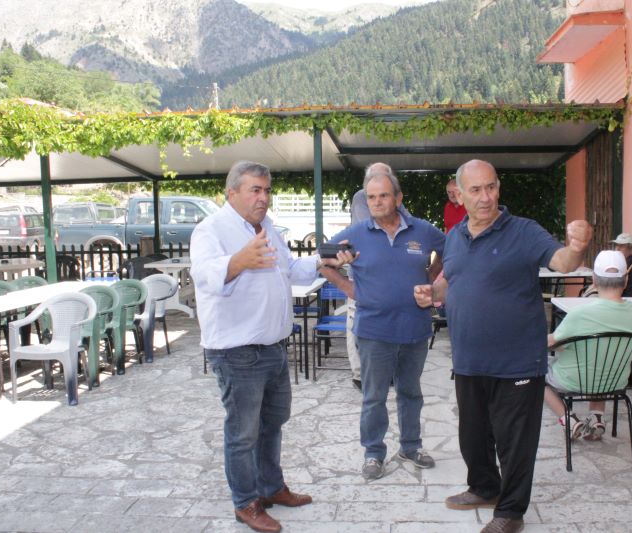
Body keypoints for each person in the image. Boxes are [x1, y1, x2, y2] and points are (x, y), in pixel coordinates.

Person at [413, 159, 592, 533]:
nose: (485, 197)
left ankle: (511, 512)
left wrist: (578, 247)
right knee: (473, 437)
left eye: (491, 187)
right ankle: (484, 487)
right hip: (469, 359)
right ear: (459, 195)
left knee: (515, 443)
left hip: (517, 361)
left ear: (498, 187)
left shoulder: (524, 231)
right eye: (475, 190)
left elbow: (562, 262)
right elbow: (450, 281)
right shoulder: (455, 237)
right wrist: (433, 292)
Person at [190, 161, 353, 533]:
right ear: (232, 192)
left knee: (273, 422)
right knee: (243, 432)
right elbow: (204, 275)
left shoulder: (267, 229)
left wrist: (323, 260)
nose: (263, 197)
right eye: (255, 190)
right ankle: (246, 502)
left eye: (267, 190)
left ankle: (271, 487)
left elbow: (290, 269)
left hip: (274, 346)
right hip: (237, 352)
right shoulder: (211, 229)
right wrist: (238, 261)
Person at [322, 163, 445, 481]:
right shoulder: (355, 234)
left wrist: (432, 281)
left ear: (398, 198)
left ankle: (411, 447)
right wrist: (350, 288)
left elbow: (451, 251)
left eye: (383, 196)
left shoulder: (422, 230)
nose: (376, 202)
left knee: (410, 392)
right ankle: (373, 453)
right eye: (371, 197)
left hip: (414, 328)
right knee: (374, 396)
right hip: (374, 331)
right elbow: (323, 261)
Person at [544, 250, 632, 441]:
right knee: (603, 357)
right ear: (626, 280)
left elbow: (551, 342)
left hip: (573, 380)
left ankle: (568, 419)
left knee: (535, 370)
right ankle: (597, 417)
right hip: (615, 381)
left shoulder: (580, 313)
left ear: (594, 280)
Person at [346, 168, 412, 391]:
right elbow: (375, 229)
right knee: (356, 320)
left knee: (387, 322)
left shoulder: (395, 199)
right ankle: (359, 374)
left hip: (389, 277)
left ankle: (386, 370)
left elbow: (409, 224)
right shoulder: (361, 197)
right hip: (363, 277)